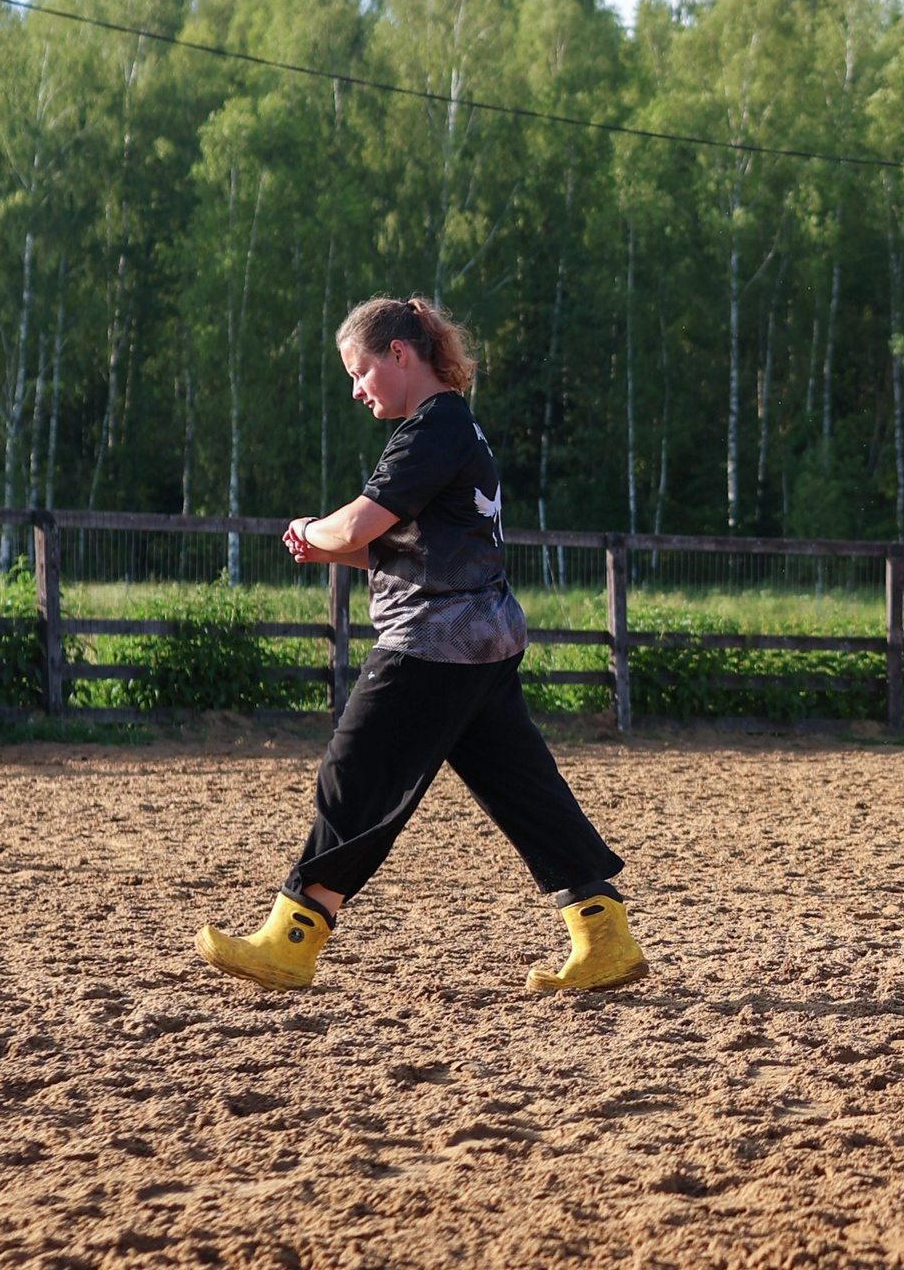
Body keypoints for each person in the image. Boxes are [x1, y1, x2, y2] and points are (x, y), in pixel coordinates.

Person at [193, 295, 646, 995]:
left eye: (361, 371)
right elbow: (414, 546)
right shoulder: (453, 429)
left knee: (354, 774)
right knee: (523, 789)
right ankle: (603, 935)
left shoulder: (429, 431)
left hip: (433, 644)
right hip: (482, 640)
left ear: (400, 354)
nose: (356, 390)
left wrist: (314, 531)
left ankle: (290, 942)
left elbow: (355, 530)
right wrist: (330, 548)